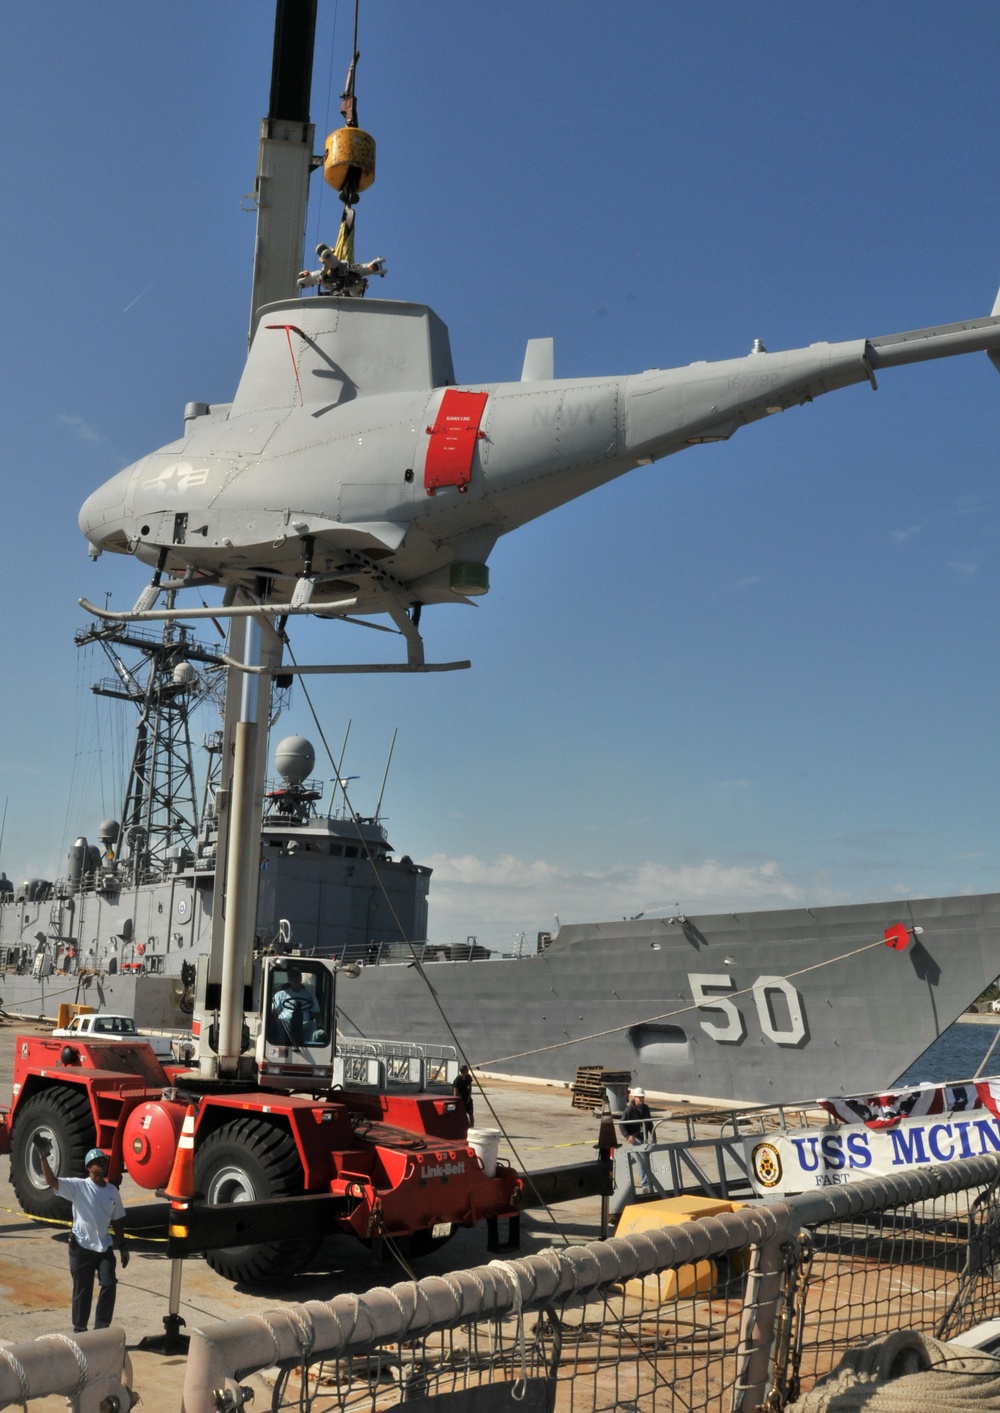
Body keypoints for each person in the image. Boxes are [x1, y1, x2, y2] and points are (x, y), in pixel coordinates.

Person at [34, 1140, 128, 1333]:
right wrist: (43, 1155)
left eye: (104, 1161)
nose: (102, 1164)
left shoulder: (112, 1191)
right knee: (82, 1291)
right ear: (89, 1167)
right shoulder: (78, 1187)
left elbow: (117, 1220)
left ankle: (102, 1328)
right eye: (98, 1162)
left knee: (109, 1284)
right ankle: (80, 1330)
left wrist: (123, 1246)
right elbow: (52, 1181)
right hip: (81, 1247)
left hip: (104, 1247)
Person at [271, 967, 322, 1044]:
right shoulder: (280, 995)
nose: (295, 979)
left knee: (312, 1025)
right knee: (279, 1022)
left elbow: (316, 1013)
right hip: (285, 1023)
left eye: (297, 976)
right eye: (292, 976)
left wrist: (320, 1023)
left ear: (301, 978)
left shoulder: (310, 996)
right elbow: (274, 1010)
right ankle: (280, 1044)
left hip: (303, 1024)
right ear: (288, 979)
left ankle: (309, 1046)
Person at [621, 1086, 654, 1194]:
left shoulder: (645, 1108)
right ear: (635, 1098)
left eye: (643, 1097)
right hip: (635, 1138)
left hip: (643, 1137)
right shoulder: (629, 1110)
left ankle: (619, 1168)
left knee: (632, 1159)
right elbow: (622, 1125)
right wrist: (627, 1136)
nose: (642, 1100)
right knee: (642, 1160)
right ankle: (645, 1185)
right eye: (640, 1098)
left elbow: (649, 1123)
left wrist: (653, 1135)